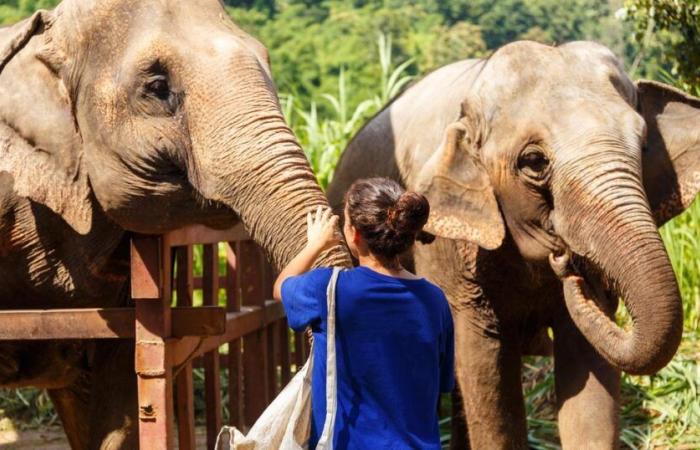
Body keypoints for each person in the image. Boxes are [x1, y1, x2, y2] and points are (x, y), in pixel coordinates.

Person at [272, 177, 455, 450]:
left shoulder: (329, 288)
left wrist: (315, 244)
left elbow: (280, 288)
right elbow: (441, 383)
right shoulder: (434, 300)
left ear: (353, 233)